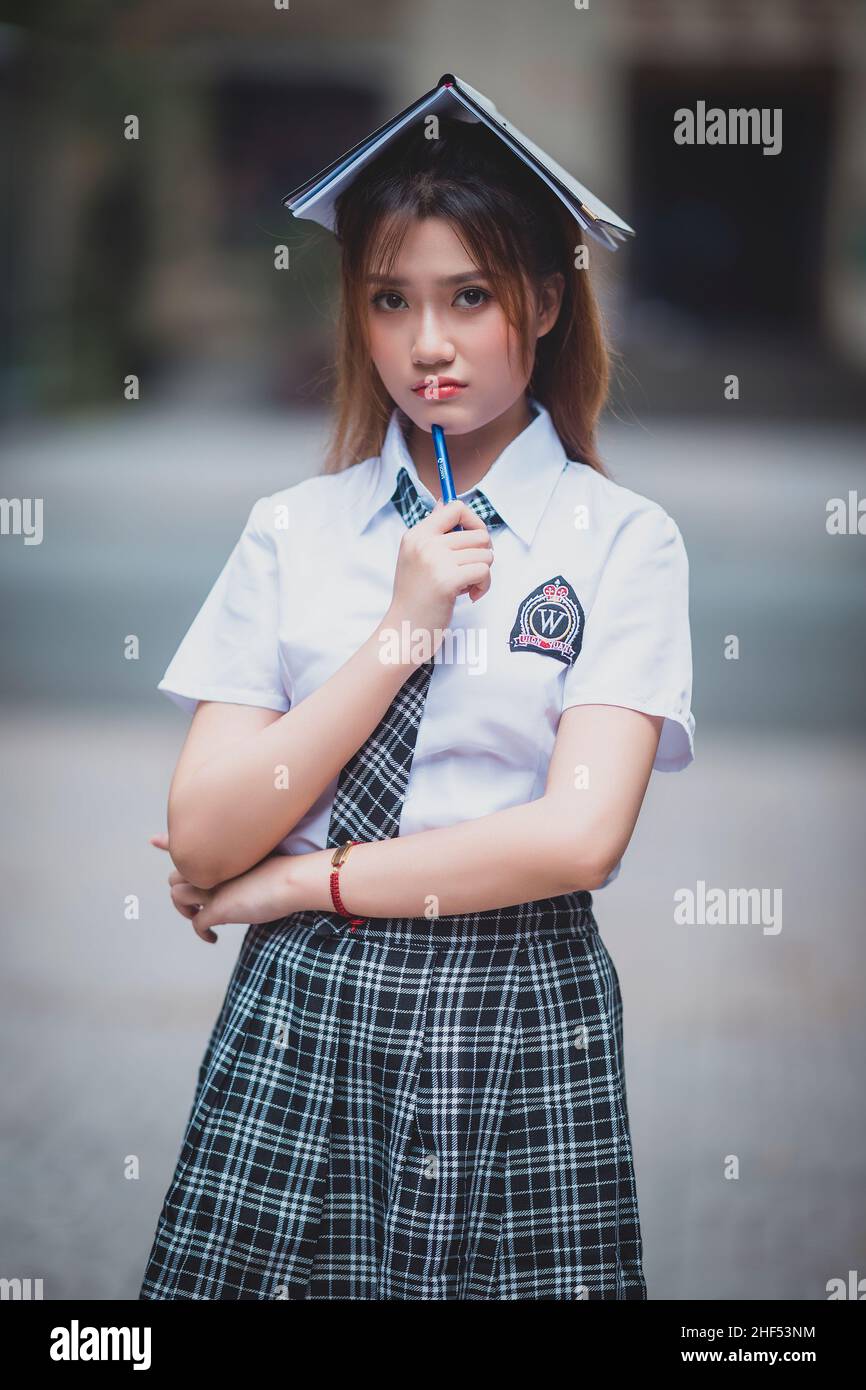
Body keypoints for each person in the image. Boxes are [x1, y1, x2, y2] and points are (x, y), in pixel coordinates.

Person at [138, 104, 694, 1302]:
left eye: (469, 298)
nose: (426, 343)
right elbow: (201, 834)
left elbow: (576, 838)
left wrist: (297, 879)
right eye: (390, 300)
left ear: (544, 304)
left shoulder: (620, 544)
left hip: (513, 1013)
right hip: (300, 1015)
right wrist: (400, 630)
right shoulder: (292, 529)